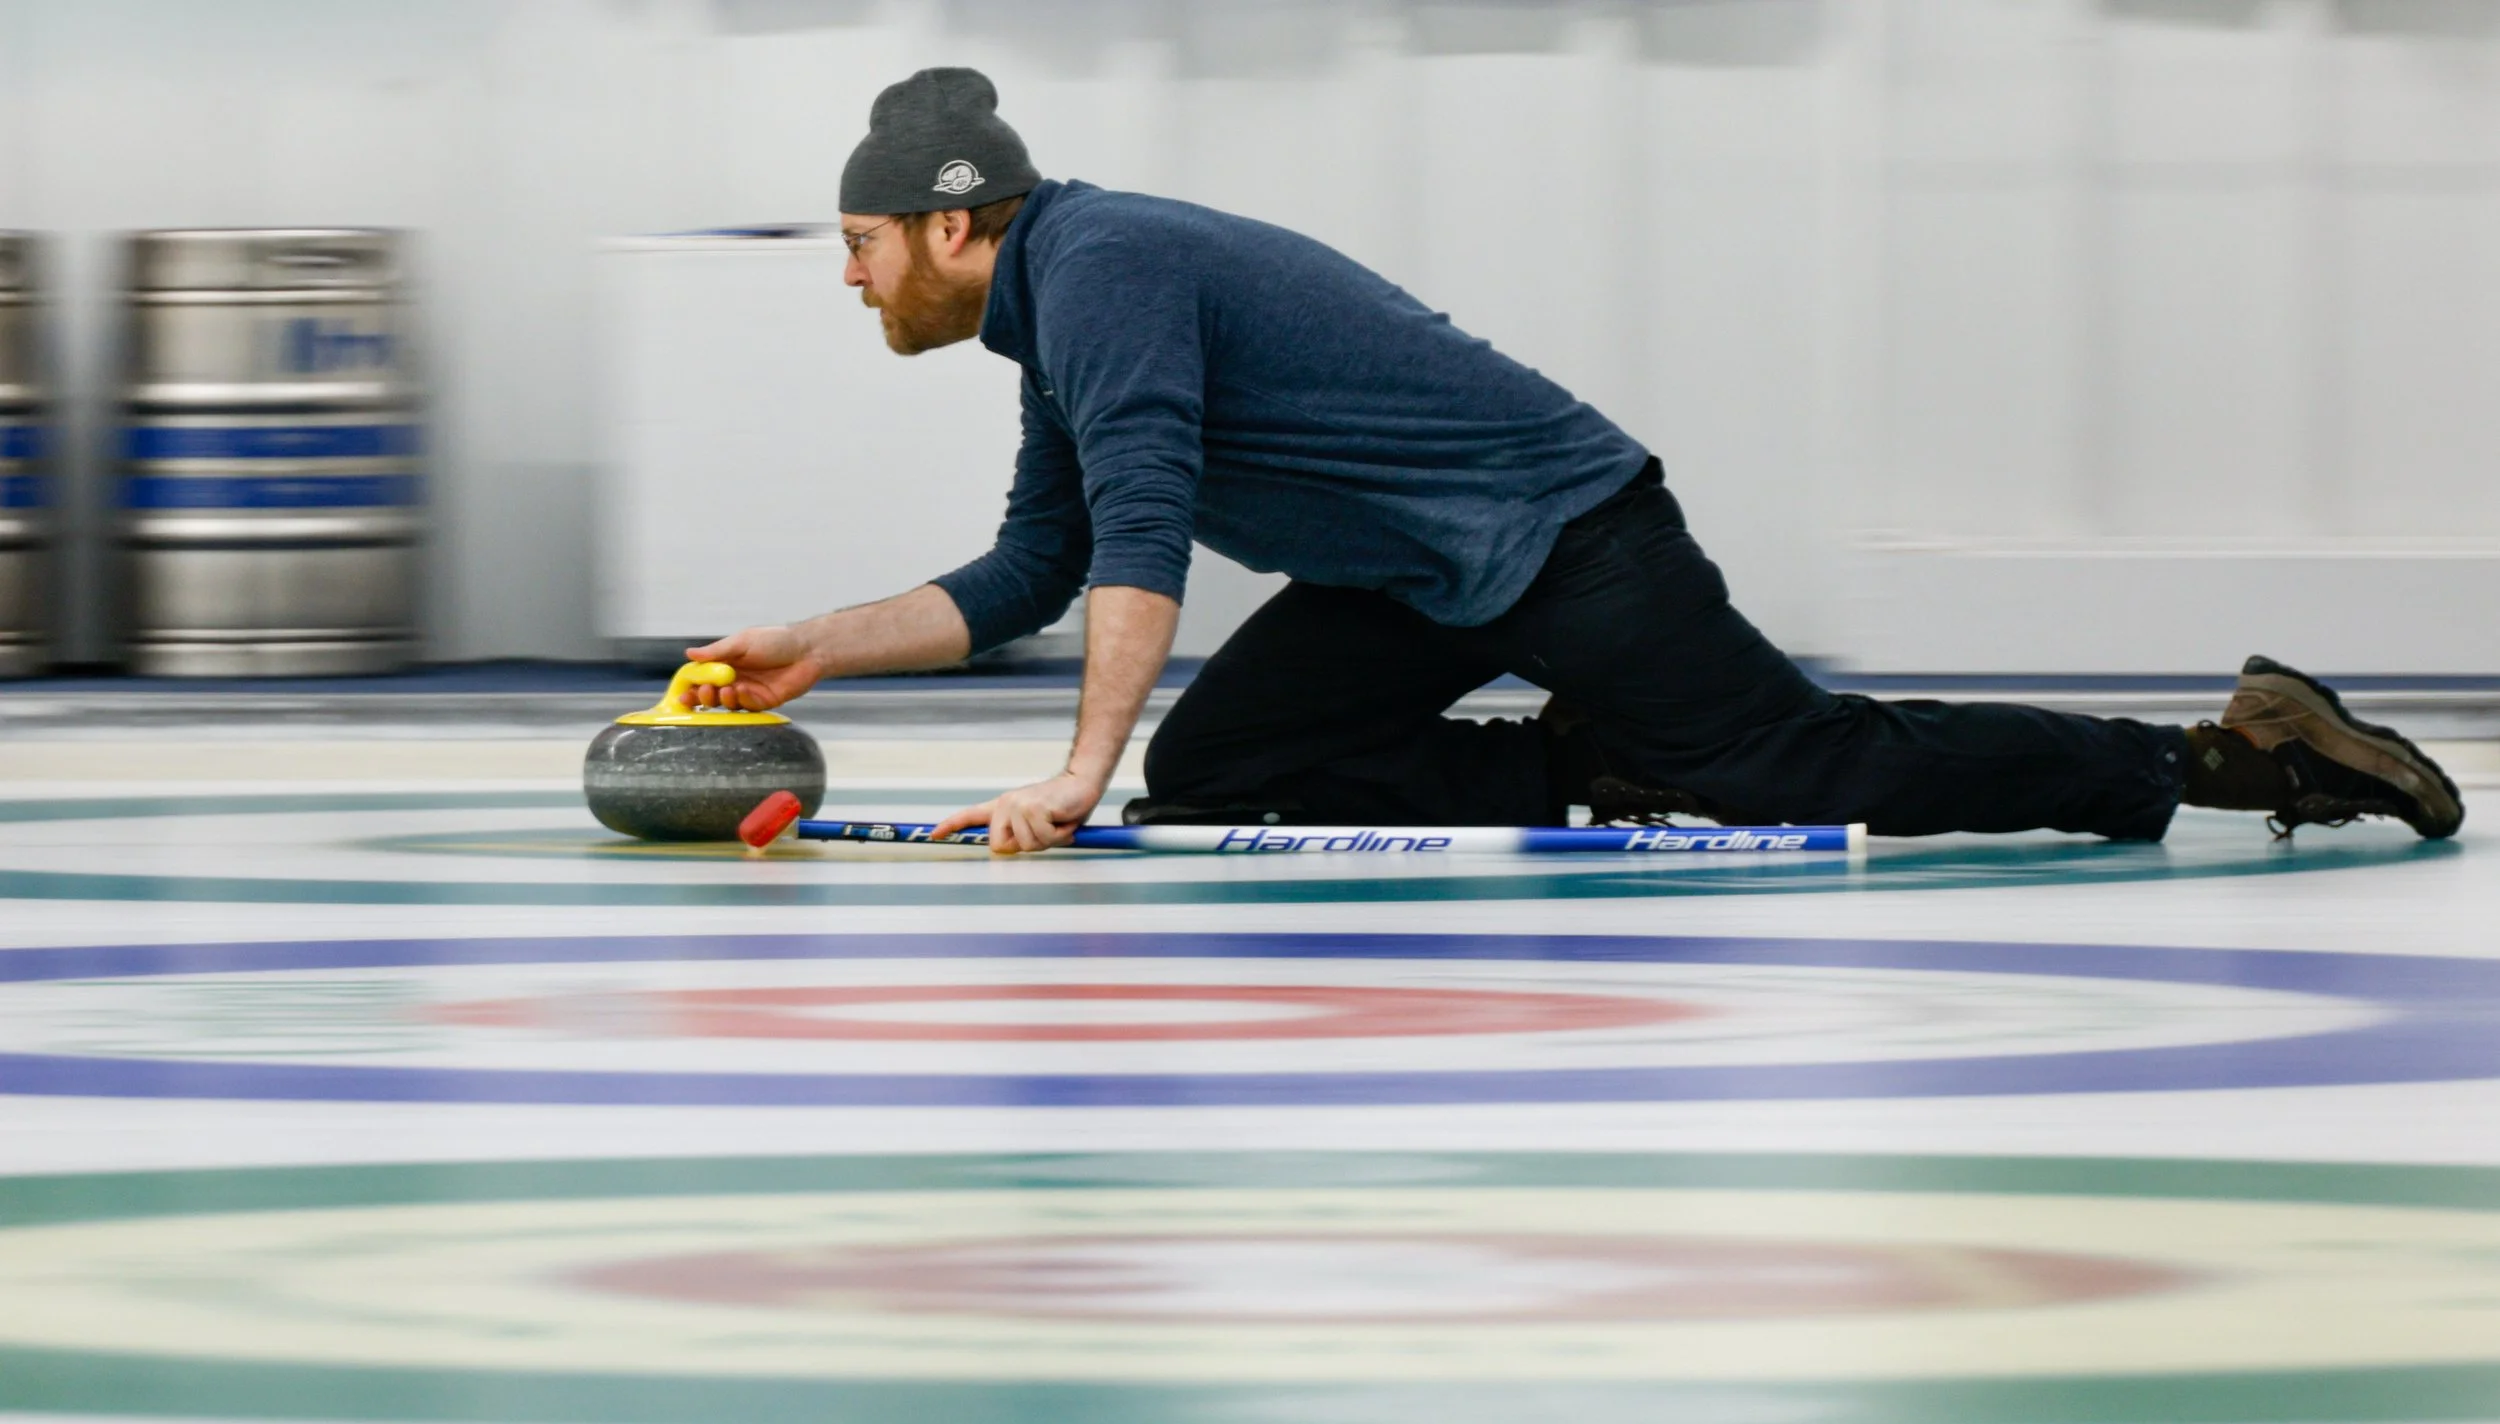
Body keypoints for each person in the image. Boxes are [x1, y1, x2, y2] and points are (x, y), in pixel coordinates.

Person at [691, 66, 2463, 856]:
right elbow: (1035, 568)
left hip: (1561, 533)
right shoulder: (1056, 310)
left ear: (950, 224)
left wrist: (1073, 775)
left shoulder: (1111, 266)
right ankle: (1599, 760)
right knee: (1226, 767)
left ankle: (2224, 762)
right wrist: (817, 646)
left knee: (1799, 765)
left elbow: (1147, 529)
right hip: (1423, 575)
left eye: (857, 245)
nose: (844, 277)